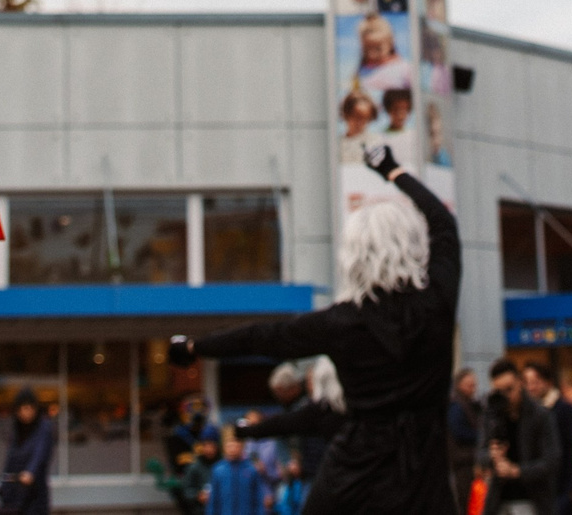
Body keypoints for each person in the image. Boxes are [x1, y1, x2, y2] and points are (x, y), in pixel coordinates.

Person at [168, 146, 458, 513]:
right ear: (414, 248)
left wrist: (195, 347)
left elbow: (264, 338)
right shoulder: (439, 299)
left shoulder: (340, 322)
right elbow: (443, 224)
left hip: (357, 466)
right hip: (423, 470)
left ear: (351, 256)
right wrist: (391, 170)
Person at [244, 360, 343, 510]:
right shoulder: (296, 408)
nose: (277, 396)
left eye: (279, 391)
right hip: (306, 473)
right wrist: (289, 462)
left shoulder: (313, 408)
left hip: (317, 472)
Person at [487, 359, 564, 514]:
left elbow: (552, 461)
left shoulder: (540, 415)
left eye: (509, 389)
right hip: (498, 501)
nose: (505, 396)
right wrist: (492, 455)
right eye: (499, 391)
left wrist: (517, 471)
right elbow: (480, 453)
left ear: (520, 383)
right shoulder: (491, 414)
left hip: (532, 500)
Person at [524, 362, 572, 515]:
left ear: (547, 381)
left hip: (562, 487)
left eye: (535, 382)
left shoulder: (564, 410)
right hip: (540, 488)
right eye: (528, 383)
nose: (531, 387)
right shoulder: (528, 413)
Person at [4, 388, 57, 514]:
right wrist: (5, 482)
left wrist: (30, 472)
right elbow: (10, 458)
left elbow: (40, 454)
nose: (25, 413)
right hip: (16, 496)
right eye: (22, 409)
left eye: (28, 408)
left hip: (35, 495)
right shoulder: (17, 430)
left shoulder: (44, 428)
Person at [208, 432, 271, 515]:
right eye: (229, 446)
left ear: (242, 447)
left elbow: (258, 499)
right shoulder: (218, 470)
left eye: (236, 445)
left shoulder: (251, 469)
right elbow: (213, 500)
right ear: (224, 447)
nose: (233, 449)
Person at [449, 368, 484, 512]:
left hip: (467, 459)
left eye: (474, 385)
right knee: (468, 501)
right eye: (470, 385)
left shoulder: (468, 404)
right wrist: (481, 436)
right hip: (463, 460)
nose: (473, 389)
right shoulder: (457, 405)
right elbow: (459, 432)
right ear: (460, 385)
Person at [356, 16, 415, 97]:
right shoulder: (361, 71)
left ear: (390, 43)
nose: (372, 53)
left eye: (378, 48)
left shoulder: (405, 69)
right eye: (367, 48)